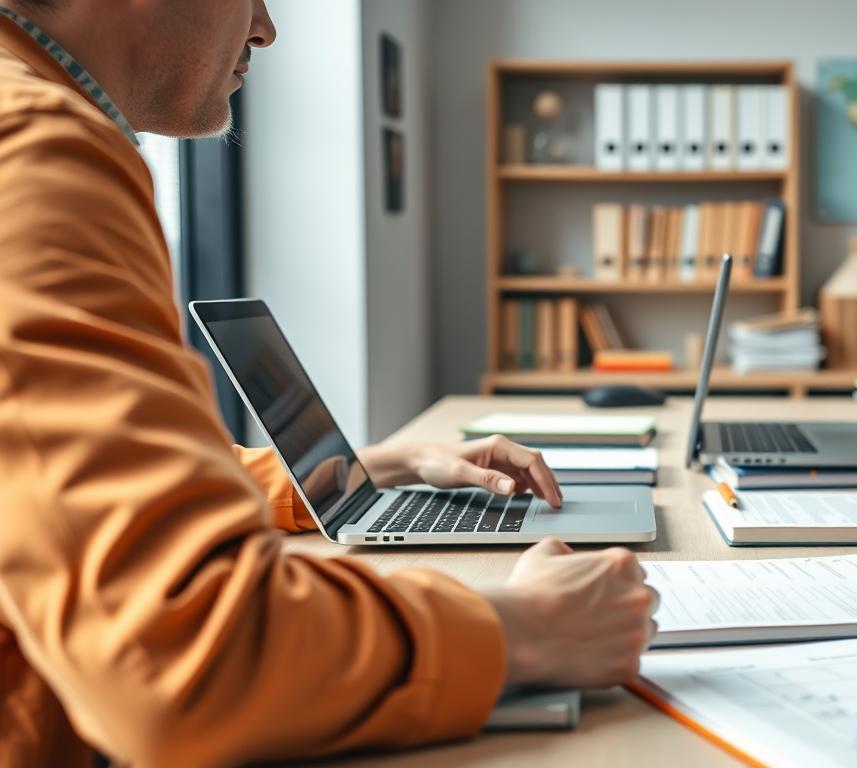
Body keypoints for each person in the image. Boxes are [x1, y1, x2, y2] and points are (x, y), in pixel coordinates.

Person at [0, 1, 658, 765]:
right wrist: (523, 626)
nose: (264, 26)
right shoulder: (35, 150)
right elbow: (189, 663)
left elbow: (40, 488)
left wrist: (353, 472)